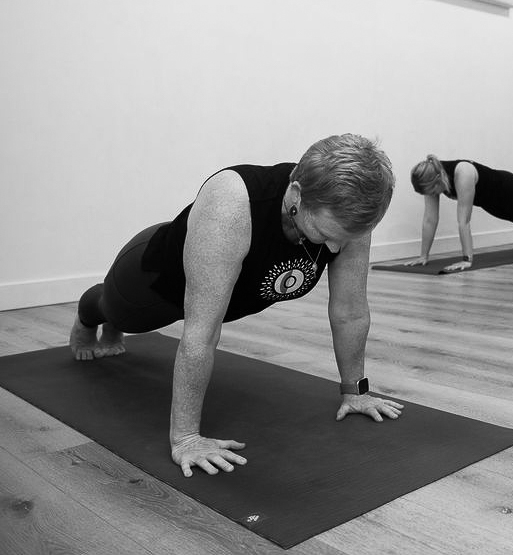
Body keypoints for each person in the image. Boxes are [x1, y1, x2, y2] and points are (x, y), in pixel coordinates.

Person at [69, 134, 404, 477]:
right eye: (324, 233)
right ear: (296, 195)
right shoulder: (231, 203)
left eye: (342, 239)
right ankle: (87, 318)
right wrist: (186, 438)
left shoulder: (350, 214)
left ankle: (109, 325)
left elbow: (350, 312)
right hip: (150, 280)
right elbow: (201, 333)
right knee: (117, 313)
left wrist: (355, 391)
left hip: (220, 292)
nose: (333, 248)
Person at [407, 155, 513, 272]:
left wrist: (467, 260)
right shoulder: (430, 178)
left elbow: (464, 221)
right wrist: (423, 256)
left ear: (438, 180)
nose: (432, 195)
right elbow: (430, 219)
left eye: (432, 191)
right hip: (489, 201)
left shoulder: (462, 172)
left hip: (508, 189)